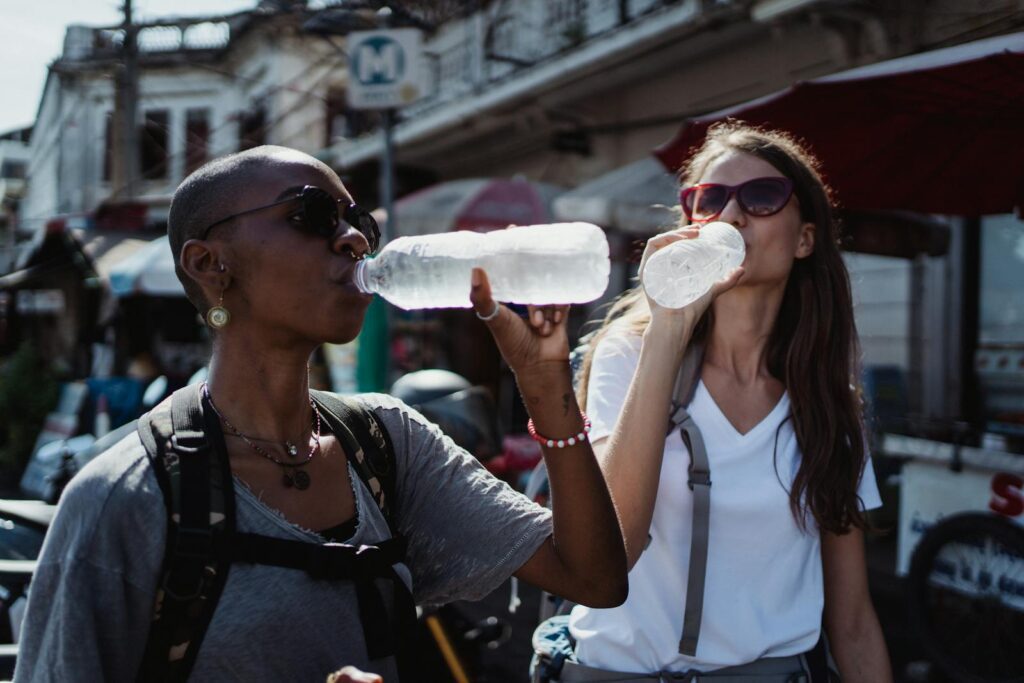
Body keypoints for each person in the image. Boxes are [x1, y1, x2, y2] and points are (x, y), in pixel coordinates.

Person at [14, 146, 627, 681]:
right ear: (209, 264)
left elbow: (594, 579)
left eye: (356, 220)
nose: (354, 239)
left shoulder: (387, 442)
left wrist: (547, 391)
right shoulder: (125, 497)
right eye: (311, 214)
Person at [565, 122, 892, 681]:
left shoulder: (829, 405)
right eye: (709, 200)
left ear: (805, 239)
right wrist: (667, 327)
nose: (732, 217)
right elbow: (613, 548)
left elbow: (853, 618)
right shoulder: (628, 355)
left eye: (762, 198)